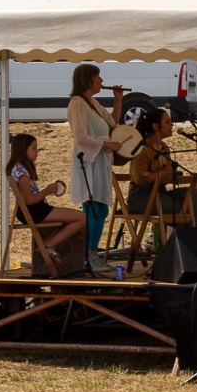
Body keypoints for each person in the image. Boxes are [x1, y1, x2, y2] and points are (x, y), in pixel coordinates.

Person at [66, 63, 125, 259]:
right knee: (91, 208)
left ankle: (92, 253)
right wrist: (108, 146)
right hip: (88, 162)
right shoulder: (77, 103)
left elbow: (112, 124)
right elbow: (80, 138)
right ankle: (88, 255)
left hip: (100, 163)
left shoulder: (93, 103)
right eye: (98, 77)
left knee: (101, 209)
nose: (102, 81)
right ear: (88, 79)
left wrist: (118, 101)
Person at [6, 133, 85, 250]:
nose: (36, 151)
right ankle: (49, 245)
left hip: (33, 209)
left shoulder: (18, 168)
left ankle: (50, 245)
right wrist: (47, 191)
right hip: (34, 211)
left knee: (75, 218)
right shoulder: (22, 174)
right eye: (33, 148)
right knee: (81, 218)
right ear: (23, 150)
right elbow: (30, 200)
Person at [126, 107, 197, 222]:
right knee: (183, 208)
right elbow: (139, 179)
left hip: (160, 193)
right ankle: (194, 234)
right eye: (167, 122)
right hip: (142, 197)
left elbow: (165, 175)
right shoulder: (143, 148)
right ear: (156, 126)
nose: (172, 125)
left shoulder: (164, 148)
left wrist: (174, 174)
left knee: (194, 195)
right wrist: (163, 172)